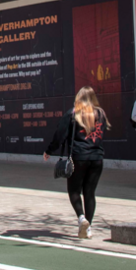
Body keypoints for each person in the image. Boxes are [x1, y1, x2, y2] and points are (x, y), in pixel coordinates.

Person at [44, 86, 107, 240]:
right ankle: (88, 228)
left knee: (73, 191)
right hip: (97, 158)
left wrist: (49, 151)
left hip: (79, 158)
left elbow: (60, 135)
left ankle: (81, 218)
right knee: (90, 193)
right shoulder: (100, 114)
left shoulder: (72, 114)